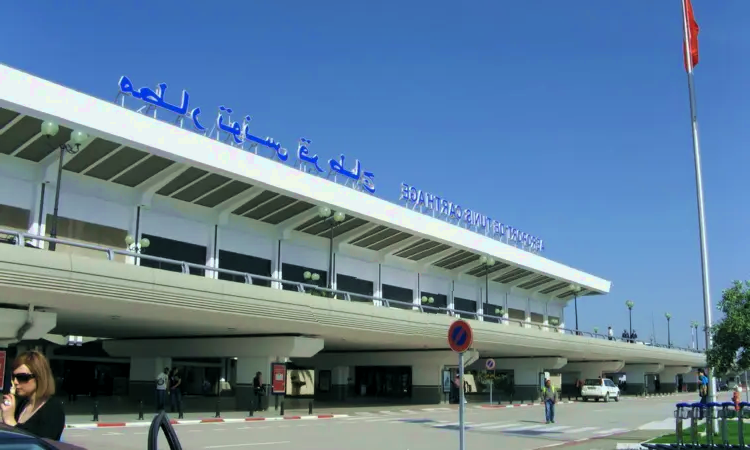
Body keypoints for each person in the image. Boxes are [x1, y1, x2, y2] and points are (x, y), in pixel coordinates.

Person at [1, 350, 65, 441]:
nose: (15, 382)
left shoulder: (53, 408)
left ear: (39, 377)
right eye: (13, 377)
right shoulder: (23, 403)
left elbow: (41, 444)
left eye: (22, 377)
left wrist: (10, 420)